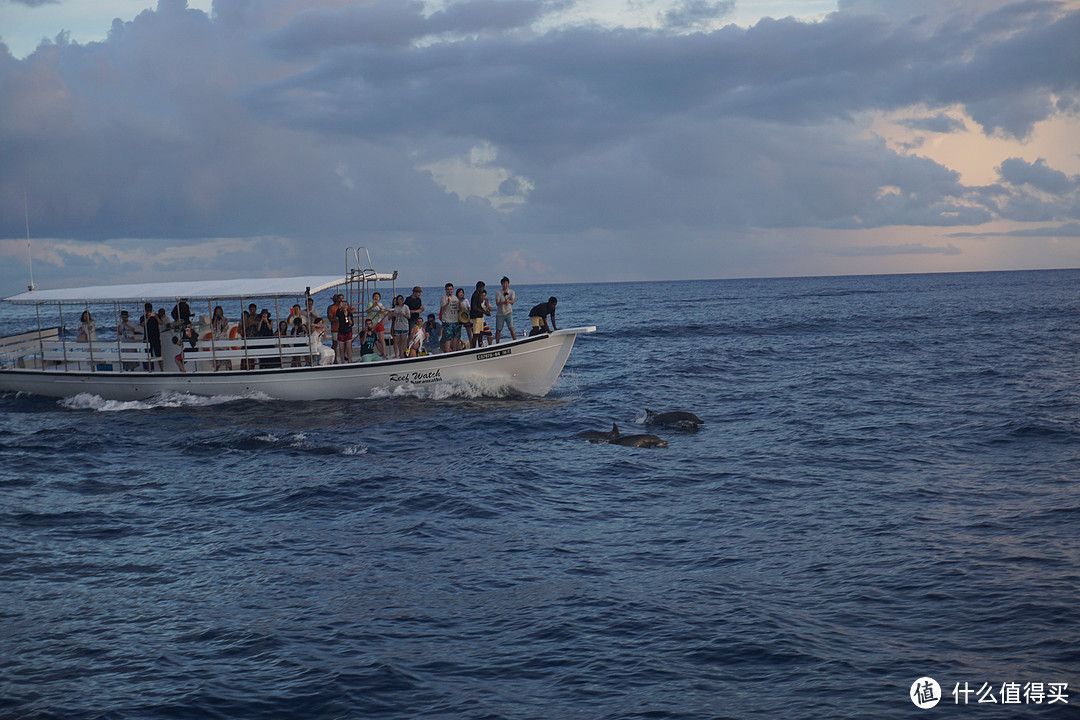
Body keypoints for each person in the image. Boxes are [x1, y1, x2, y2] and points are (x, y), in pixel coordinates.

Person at [439, 283, 461, 353]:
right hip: (447, 321)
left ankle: (454, 351)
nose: (449, 291)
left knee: (456, 337)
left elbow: (458, 309)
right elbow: (442, 309)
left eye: (451, 289)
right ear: (446, 290)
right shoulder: (444, 298)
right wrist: (448, 303)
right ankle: (447, 351)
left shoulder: (455, 298)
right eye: (448, 289)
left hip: (455, 320)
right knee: (447, 338)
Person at [495, 276, 516, 342]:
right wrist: (504, 302)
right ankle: (497, 343)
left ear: (508, 284)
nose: (505, 285)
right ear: (501, 284)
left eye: (506, 283)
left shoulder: (511, 292)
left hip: (508, 312)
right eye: (503, 283)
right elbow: (497, 303)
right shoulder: (498, 292)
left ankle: (515, 341)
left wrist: (508, 301)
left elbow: (512, 301)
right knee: (498, 329)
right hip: (500, 313)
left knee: (511, 327)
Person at [389, 294, 411, 359]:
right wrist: (392, 314)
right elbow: (392, 315)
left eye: (401, 299)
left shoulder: (406, 307)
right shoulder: (396, 307)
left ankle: (403, 354)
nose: (400, 300)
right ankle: (400, 353)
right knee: (398, 341)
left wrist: (401, 313)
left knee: (403, 341)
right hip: (397, 326)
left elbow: (408, 316)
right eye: (399, 299)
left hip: (404, 326)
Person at [142, 302, 162, 371]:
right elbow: (142, 324)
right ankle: (149, 369)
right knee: (148, 355)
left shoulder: (156, 316)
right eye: (148, 310)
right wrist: (147, 318)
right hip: (147, 338)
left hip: (156, 337)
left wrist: (156, 317)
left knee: (159, 354)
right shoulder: (143, 317)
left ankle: (162, 369)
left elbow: (161, 323)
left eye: (150, 310)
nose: (149, 312)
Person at [469, 281, 489, 349]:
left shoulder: (478, 295)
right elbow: (474, 307)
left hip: (480, 316)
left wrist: (484, 312)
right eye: (482, 288)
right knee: (476, 334)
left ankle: (480, 347)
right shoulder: (475, 295)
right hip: (476, 317)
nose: (483, 289)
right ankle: (473, 348)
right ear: (479, 288)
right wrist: (484, 312)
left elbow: (479, 306)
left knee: (481, 333)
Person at [336, 296, 354, 363]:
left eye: (346, 305)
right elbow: (337, 314)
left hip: (348, 330)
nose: (345, 307)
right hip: (341, 331)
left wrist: (351, 323)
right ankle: (342, 361)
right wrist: (339, 308)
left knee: (348, 347)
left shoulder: (350, 313)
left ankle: (349, 360)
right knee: (341, 348)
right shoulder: (340, 313)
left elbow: (352, 323)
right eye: (344, 305)